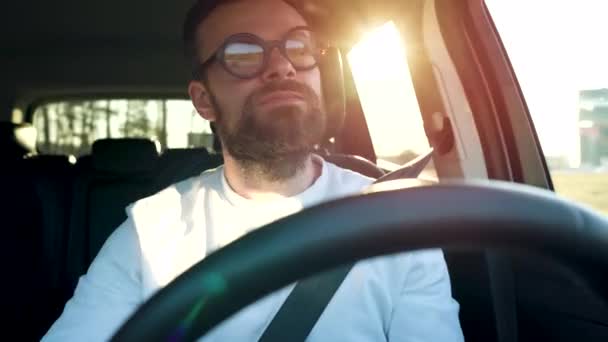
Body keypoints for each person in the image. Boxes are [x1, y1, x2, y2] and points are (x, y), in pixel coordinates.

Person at [43, 0, 463, 340]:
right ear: (204, 100)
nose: (282, 67)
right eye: (242, 53)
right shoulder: (151, 232)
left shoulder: (395, 219)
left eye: (298, 48)